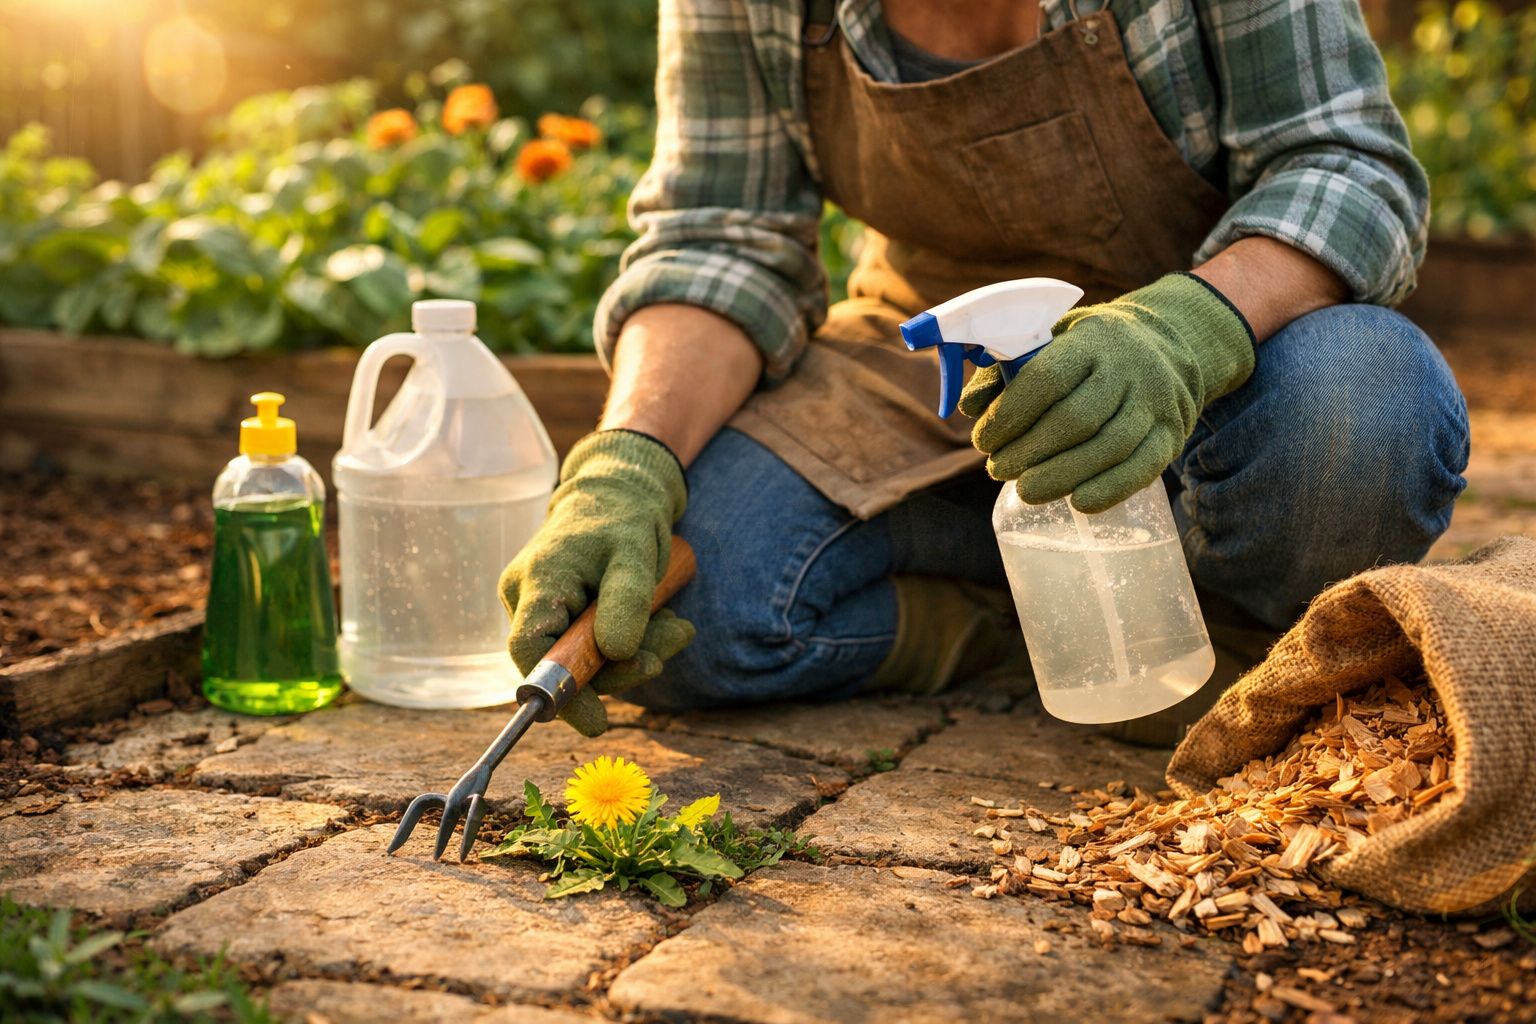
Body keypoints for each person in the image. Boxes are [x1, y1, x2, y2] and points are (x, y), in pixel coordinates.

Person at [499, 0, 1470, 742]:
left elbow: (1349, 166)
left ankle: (1235, 646)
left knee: (1366, 416)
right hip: (924, 359)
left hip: (1230, 346)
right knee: (679, 609)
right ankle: (1018, 625)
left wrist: (1183, 333)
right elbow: (721, 236)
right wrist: (626, 460)